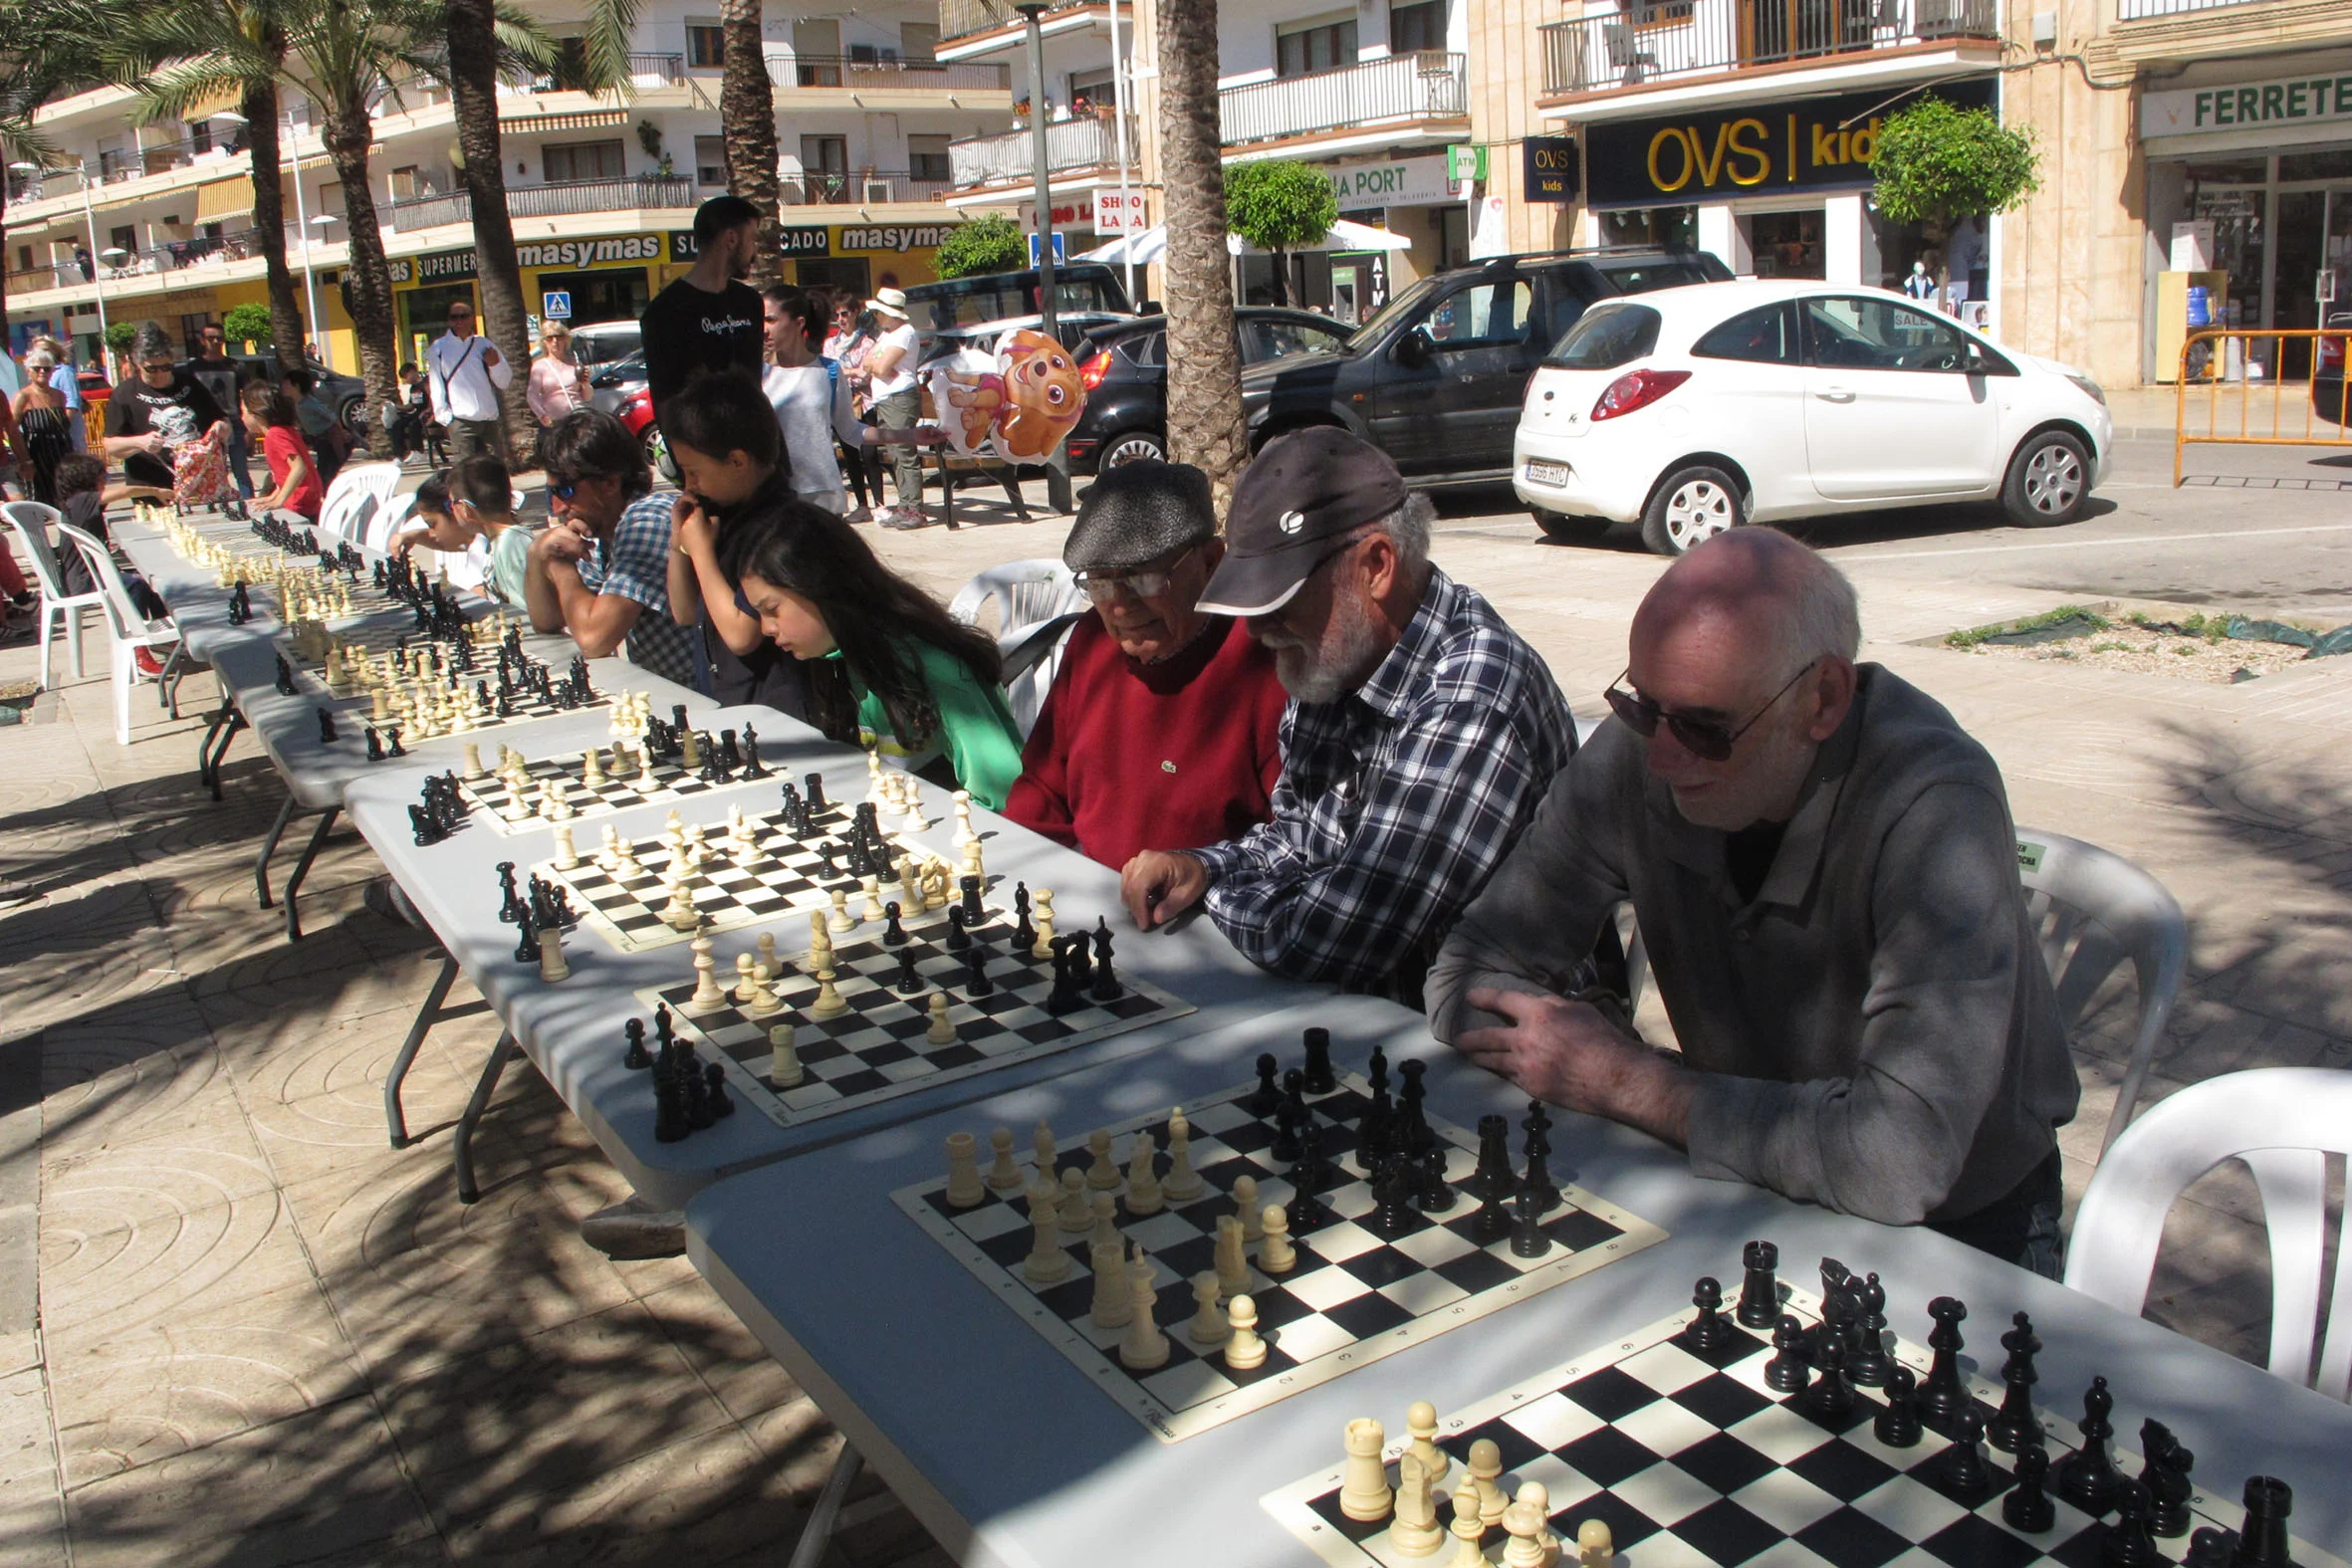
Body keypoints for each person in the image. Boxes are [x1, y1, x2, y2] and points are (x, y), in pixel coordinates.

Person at [1426, 531, 2079, 1275]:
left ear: (1823, 699)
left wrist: (1625, 1079)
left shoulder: (1934, 802)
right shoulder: (1636, 754)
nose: (1663, 755)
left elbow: (1900, 1159)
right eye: (1642, 705)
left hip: (1957, 1228)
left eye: (1705, 727)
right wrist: (1585, 1048)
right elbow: (1467, 970)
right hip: (1742, 1182)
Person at [1118, 428, 1576, 1005]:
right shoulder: (1340, 656)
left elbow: (1336, 937)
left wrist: (1216, 897)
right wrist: (1203, 867)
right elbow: (1297, 842)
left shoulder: (1473, 696)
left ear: (1377, 565)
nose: (1259, 630)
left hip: (1501, 1054)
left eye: (1280, 599)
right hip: (1374, 1014)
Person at [1004, 461, 1287, 871]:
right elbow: (1044, 788)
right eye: (1098, 583)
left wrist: (1204, 872)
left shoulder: (1264, 660)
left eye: (1144, 578)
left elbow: (1295, 842)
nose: (1119, 605)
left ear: (1210, 562)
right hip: (1089, 895)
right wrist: (1016, 867)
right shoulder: (1091, 640)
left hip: (1209, 912)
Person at [717, 505, 1023, 807]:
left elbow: (1004, 794)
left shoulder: (933, 666)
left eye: (772, 610)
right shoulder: (835, 661)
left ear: (822, 588)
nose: (766, 629)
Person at [659, 368, 814, 720]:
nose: (689, 484)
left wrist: (700, 552)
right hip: (727, 700)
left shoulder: (778, 527)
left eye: (694, 471)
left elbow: (742, 634)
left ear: (737, 462)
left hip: (775, 711)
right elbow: (684, 612)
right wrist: (678, 542)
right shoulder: (722, 517)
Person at [523, 407, 706, 692]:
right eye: (551, 494)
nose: (557, 507)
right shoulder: (600, 529)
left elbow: (594, 640)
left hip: (705, 696)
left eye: (566, 492)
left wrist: (560, 566)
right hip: (671, 691)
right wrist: (537, 554)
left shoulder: (646, 520)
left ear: (609, 483)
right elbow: (547, 622)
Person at [757, 284, 943, 516]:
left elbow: (851, 431)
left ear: (799, 323)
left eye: (771, 320)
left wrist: (909, 435)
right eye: (761, 320)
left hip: (824, 498)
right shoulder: (757, 375)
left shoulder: (830, 372)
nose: (763, 329)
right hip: (774, 498)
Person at [638, 194, 765, 416]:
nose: (755, 252)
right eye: (752, 239)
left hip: (757, 445)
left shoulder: (749, 302)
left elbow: (756, 389)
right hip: (702, 447)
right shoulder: (665, 312)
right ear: (732, 239)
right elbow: (667, 406)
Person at [104, 323, 232, 492]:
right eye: (152, 369)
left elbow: (222, 422)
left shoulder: (190, 384)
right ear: (137, 364)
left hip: (199, 481)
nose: (161, 374)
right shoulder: (125, 394)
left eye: (166, 367)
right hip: (152, 486)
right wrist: (140, 442)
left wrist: (223, 429)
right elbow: (110, 445)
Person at [390, 458, 531, 607]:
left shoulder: (508, 546)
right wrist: (413, 536)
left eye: (453, 503)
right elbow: (447, 543)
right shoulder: (490, 540)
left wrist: (478, 595)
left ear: (462, 509)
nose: (432, 533)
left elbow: (526, 607)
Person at [847, 287, 924, 528]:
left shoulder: (905, 333)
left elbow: (878, 368)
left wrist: (878, 365)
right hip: (886, 399)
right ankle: (905, 505)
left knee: (904, 453)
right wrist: (878, 364)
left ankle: (915, 510)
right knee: (895, 454)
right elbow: (869, 361)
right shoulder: (886, 335)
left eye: (879, 312)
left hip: (899, 398)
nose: (876, 317)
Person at [425, 298, 512, 462]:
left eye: (463, 316)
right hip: (461, 421)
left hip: (488, 420)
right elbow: (436, 384)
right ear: (449, 321)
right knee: (465, 473)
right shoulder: (439, 348)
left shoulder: (484, 344)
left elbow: (504, 382)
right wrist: (446, 418)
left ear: (472, 318)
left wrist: (495, 365)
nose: (459, 321)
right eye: (454, 317)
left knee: (494, 470)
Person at [184, 322, 254, 497]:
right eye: (210, 338)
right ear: (202, 340)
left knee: (241, 472)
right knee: (214, 472)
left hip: (234, 422)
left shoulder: (236, 366)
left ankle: (250, 507)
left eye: (219, 338)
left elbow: (246, 395)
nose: (215, 342)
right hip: (206, 426)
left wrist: (248, 427)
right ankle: (222, 505)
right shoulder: (193, 368)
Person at [240, 381, 324, 523]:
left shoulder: (275, 435)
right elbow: (284, 475)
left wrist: (279, 501)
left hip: (298, 503)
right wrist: (273, 496)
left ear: (257, 413)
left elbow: (299, 468)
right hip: (304, 499)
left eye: (243, 412)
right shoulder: (285, 431)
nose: (242, 418)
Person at [12, 346, 74, 504]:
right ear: (28, 372)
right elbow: (12, 428)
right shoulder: (23, 396)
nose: (42, 372)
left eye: (46, 369)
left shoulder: (59, 395)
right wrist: (22, 458)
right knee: (42, 500)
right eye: (37, 368)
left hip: (62, 452)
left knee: (66, 496)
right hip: (38, 454)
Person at [527, 321, 591, 453]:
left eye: (559, 337)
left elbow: (587, 396)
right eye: (549, 338)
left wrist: (585, 383)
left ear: (566, 339)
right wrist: (543, 416)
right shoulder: (540, 366)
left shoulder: (575, 362)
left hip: (577, 417)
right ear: (544, 342)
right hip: (554, 422)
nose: (555, 341)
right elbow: (531, 395)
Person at [283, 369, 348, 488]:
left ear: (296, 386)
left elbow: (331, 416)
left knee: (325, 471)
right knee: (323, 471)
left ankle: (324, 494)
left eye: (287, 384)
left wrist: (342, 432)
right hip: (317, 439)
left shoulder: (310, 403)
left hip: (326, 439)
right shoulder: (297, 403)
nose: (283, 387)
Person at [37, 337, 85, 453]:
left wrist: (60, 430)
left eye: (45, 350)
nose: (42, 354)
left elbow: (71, 404)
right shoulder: (41, 374)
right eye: (38, 351)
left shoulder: (63, 372)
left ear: (54, 351)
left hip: (67, 438)